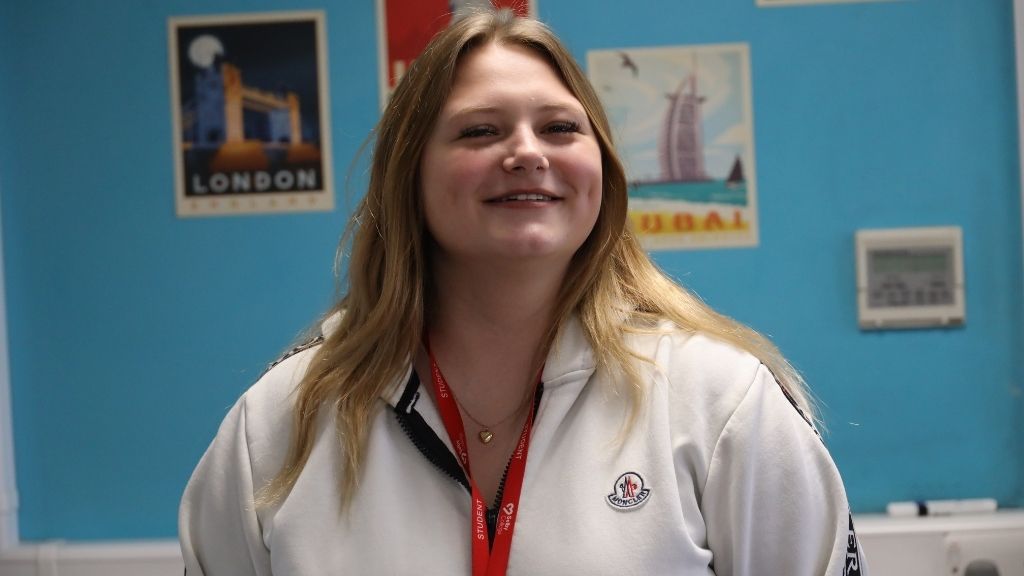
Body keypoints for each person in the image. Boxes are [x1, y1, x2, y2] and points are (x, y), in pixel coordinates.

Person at [179, 9, 865, 576]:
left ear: (601, 169)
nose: (528, 151)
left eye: (561, 127)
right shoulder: (280, 423)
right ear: (408, 178)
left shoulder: (721, 404)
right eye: (481, 130)